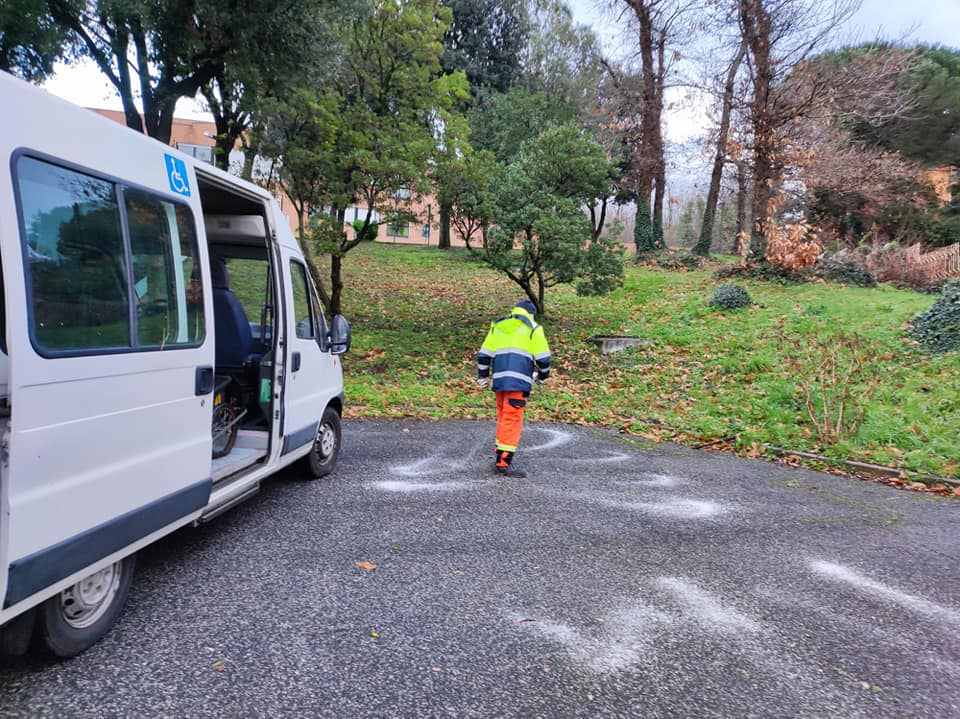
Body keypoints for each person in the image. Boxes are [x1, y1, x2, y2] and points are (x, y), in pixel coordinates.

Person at [476, 298, 551, 478]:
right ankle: (503, 463)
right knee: (512, 420)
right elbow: (543, 359)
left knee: (503, 418)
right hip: (517, 384)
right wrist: (542, 376)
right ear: (531, 313)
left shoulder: (498, 326)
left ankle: (499, 455)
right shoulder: (533, 328)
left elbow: (483, 355)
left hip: (500, 382)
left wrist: (483, 376)